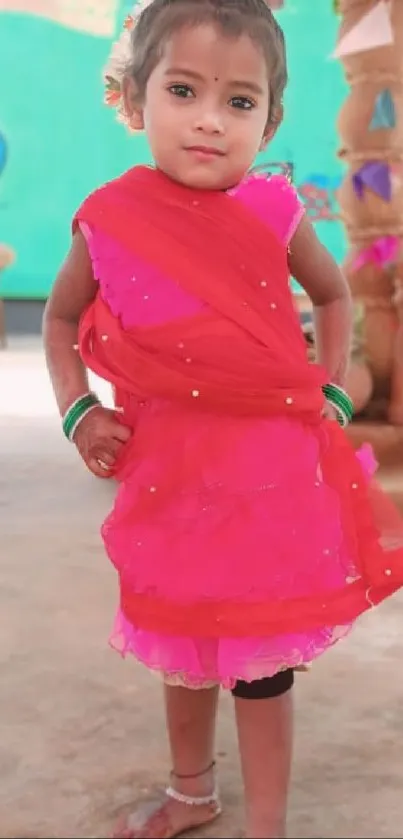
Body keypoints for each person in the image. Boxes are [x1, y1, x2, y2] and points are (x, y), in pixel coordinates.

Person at [43, 1, 403, 836]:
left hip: (269, 482)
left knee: (260, 664)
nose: (210, 121)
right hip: (167, 475)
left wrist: (334, 387)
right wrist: (77, 411)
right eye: (183, 89)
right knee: (180, 641)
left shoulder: (275, 212)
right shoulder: (107, 222)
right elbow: (60, 322)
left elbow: (335, 291)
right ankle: (191, 791)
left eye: (240, 102)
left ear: (269, 118)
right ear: (134, 99)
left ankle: (264, 825)